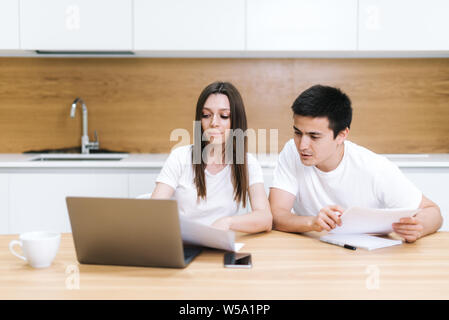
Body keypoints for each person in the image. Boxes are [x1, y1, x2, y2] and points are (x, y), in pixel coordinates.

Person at [269, 84, 442, 242]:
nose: (302, 145)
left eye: (314, 136)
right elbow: (276, 215)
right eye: (298, 133)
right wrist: (312, 222)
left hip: (366, 257)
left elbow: (433, 212)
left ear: (342, 135)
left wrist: (418, 227)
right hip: (313, 252)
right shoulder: (291, 151)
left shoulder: (374, 167)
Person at [151, 81, 272, 233]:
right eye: (206, 115)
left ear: (236, 120)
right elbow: (153, 211)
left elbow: (265, 218)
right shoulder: (180, 157)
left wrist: (228, 222)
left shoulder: (248, 163)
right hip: (184, 244)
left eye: (224, 116)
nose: (214, 123)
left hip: (220, 244)